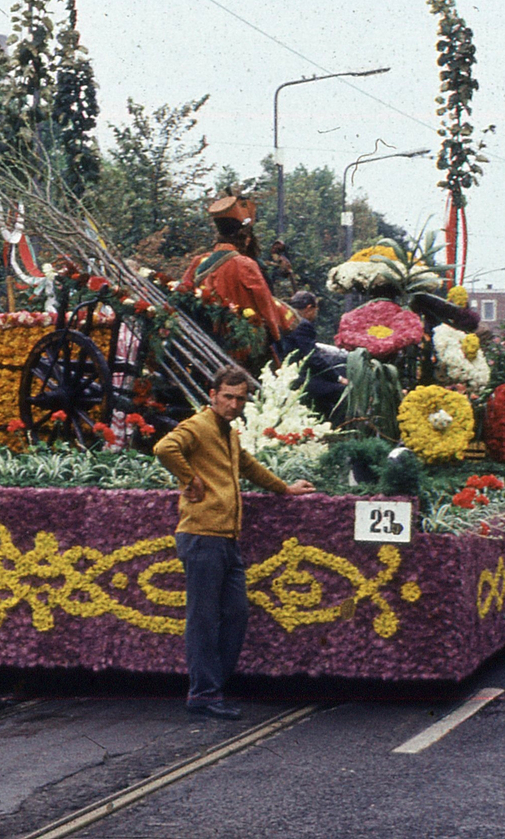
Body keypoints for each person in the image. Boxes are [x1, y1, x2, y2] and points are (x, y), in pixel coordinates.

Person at [153, 365, 314, 720]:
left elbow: (250, 467)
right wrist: (189, 478)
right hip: (201, 535)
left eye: (240, 398)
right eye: (227, 396)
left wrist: (284, 488)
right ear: (213, 396)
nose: (233, 404)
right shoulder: (199, 425)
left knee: (236, 614)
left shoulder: (229, 433)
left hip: (225, 537)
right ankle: (204, 693)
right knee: (203, 619)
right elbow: (165, 448)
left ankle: (214, 686)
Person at [181, 194, 294, 346]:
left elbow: (183, 294)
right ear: (245, 239)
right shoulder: (245, 264)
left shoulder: (199, 261)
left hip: (205, 341)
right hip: (241, 345)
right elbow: (265, 305)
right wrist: (276, 335)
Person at [278, 291, 348, 419]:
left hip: (289, 373)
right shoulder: (303, 325)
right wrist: (338, 378)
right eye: (316, 309)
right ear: (310, 308)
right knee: (344, 392)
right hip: (301, 379)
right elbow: (313, 358)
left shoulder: (286, 320)